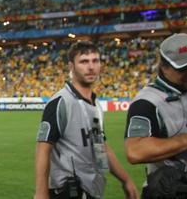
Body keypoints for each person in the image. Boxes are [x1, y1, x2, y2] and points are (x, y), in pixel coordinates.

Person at [34, 41, 138, 199]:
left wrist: (126, 180)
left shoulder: (96, 105)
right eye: (84, 61)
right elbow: (43, 148)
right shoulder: (61, 102)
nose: (91, 67)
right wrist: (41, 193)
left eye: (95, 60)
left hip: (92, 189)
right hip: (67, 191)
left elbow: (100, 146)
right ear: (71, 66)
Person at [124, 33, 187, 199]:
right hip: (174, 192)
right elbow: (135, 151)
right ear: (164, 67)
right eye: (184, 69)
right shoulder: (147, 102)